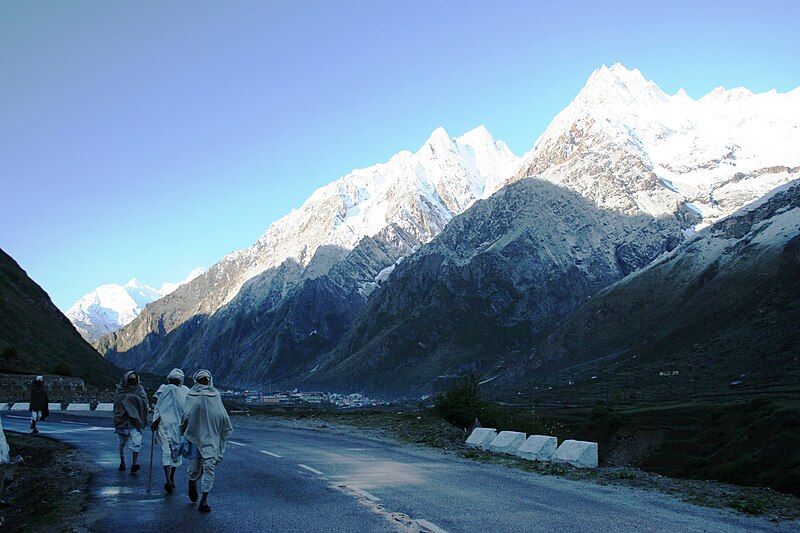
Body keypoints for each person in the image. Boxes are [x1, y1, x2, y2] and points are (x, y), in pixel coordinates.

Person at [181, 369, 232, 513]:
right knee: (195, 469)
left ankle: (204, 500)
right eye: (201, 380)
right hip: (195, 439)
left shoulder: (215, 395)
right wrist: (184, 428)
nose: (203, 383)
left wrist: (223, 427)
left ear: (209, 380)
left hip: (211, 438)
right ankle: (192, 481)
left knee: (209, 467)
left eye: (205, 380)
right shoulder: (191, 395)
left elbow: (222, 414)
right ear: (196, 381)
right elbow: (186, 415)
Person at [151, 368, 190, 494]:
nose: (174, 383)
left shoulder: (185, 391)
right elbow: (158, 407)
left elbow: (188, 409)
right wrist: (155, 421)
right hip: (164, 426)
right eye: (173, 380)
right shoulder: (164, 389)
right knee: (166, 452)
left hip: (178, 428)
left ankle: (171, 476)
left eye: (177, 380)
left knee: (176, 453)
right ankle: (168, 480)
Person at [113, 370, 150, 474]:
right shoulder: (120, 390)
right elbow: (117, 406)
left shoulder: (139, 389)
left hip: (134, 421)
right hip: (122, 421)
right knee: (122, 443)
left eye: (134, 380)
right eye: (130, 380)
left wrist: (133, 400)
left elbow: (144, 402)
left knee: (136, 442)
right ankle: (122, 462)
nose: (132, 382)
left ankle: (134, 464)